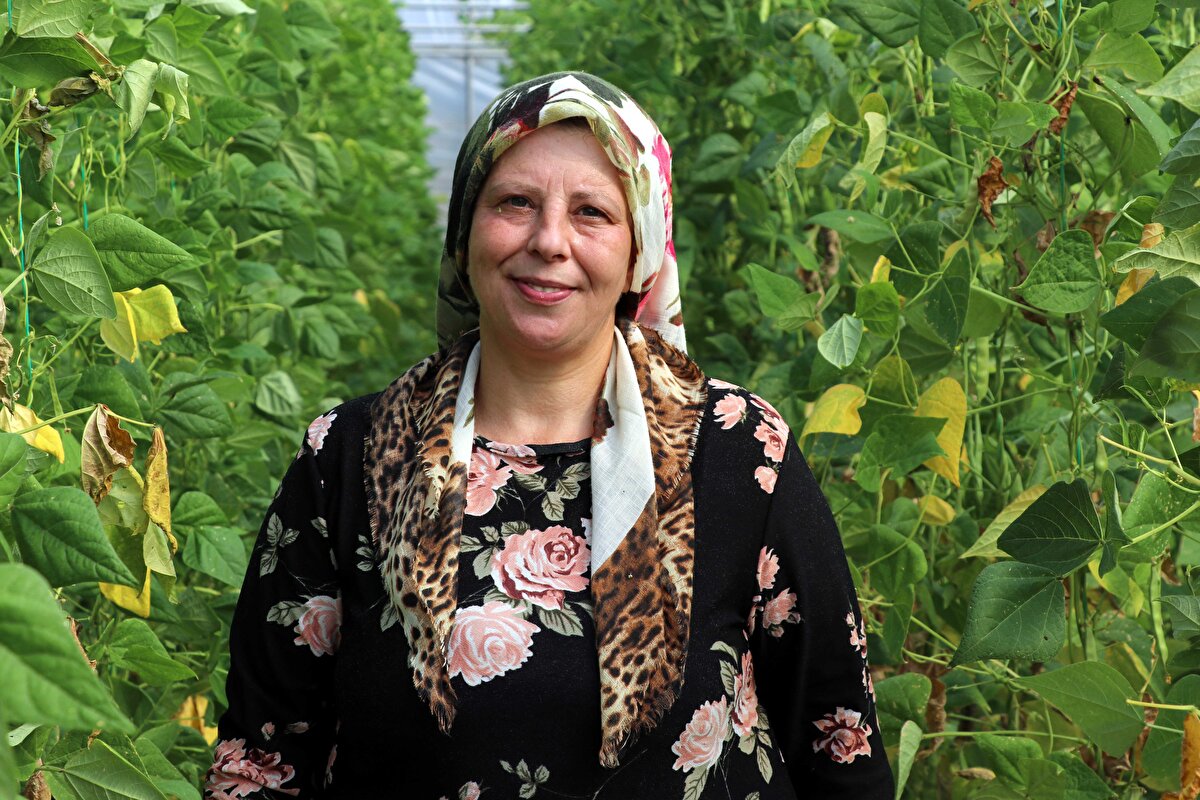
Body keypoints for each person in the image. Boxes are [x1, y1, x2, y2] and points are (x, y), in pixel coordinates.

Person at [206, 71, 893, 799]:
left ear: (641, 253)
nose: (549, 241)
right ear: (465, 232)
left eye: (592, 212)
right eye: (515, 203)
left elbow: (838, 742)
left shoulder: (738, 452)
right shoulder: (347, 457)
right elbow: (261, 760)